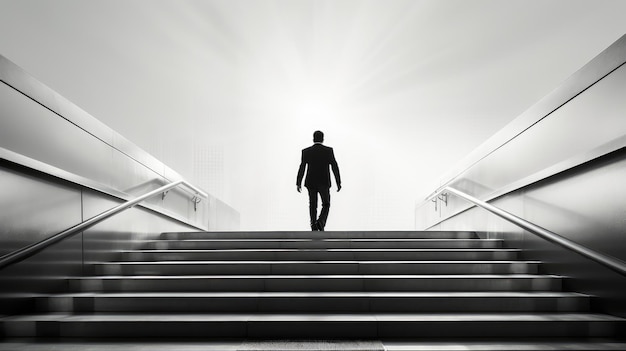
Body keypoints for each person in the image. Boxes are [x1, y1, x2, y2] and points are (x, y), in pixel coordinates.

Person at [296, 130, 341, 231]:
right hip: (324, 182)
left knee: (313, 204)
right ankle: (320, 222)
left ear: (313, 139)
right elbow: (334, 166)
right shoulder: (328, 151)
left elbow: (302, 167)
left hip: (311, 182)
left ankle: (313, 225)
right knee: (326, 203)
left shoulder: (306, 151)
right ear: (323, 139)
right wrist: (338, 182)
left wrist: (298, 182)